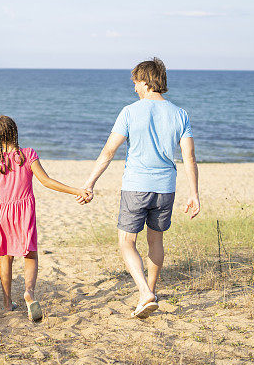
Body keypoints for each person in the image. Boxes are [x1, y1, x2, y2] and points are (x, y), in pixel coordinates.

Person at [81, 57, 200, 318]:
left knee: (126, 240)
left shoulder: (130, 112)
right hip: (166, 188)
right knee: (156, 240)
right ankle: (150, 293)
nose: (134, 87)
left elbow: (108, 152)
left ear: (146, 82)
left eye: (135, 82)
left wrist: (90, 182)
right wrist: (194, 194)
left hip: (136, 186)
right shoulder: (180, 114)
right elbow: (189, 157)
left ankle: (144, 293)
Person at [0, 115, 91, 322]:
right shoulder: (28, 155)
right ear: (15, 132)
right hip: (23, 211)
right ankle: (29, 294)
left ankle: (7, 304)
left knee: (5, 257)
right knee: (30, 255)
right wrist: (75, 190)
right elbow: (46, 181)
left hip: (2, 212)